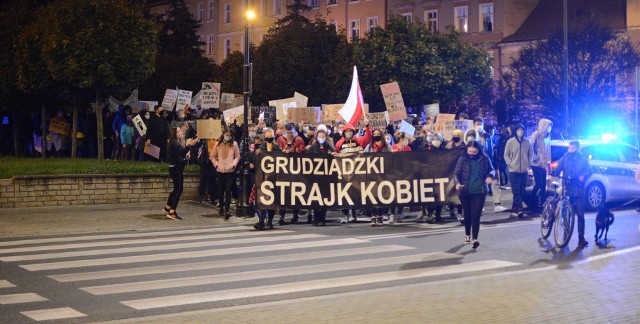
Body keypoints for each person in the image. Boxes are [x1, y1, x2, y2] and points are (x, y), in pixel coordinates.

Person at [454, 140, 495, 249]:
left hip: (479, 191)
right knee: (467, 214)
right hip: (465, 191)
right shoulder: (462, 158)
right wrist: (457, 183)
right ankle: (467, 235)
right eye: (470, 151)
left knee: (476, 215)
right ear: (467, 150)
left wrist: (490, 176)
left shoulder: (484, 158)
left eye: (474, 152)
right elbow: (456, 173)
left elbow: (492, 170)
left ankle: (475, 239)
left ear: (478, 150)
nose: (471, 153)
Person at [553, 140, 592, 247]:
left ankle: (581, 238)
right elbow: (557, 169)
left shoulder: (583, 160)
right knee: (566, 214)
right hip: (568, 189)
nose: (570, 150)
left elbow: (589, 171)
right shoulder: (564, 159)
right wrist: (554, 172)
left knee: (580, 215)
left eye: (572, 148)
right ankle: (565, 237)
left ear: (577, 149)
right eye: (569, 148)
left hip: (579, 190)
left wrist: (583, 176)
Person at [335, 120, 372, 224]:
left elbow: (368, 137)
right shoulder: (339, 143)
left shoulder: (359, 141)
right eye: (346, 131)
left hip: (357, 172)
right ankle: (346, 215)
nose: (348, 133)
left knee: (356, 194)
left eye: (350, 131)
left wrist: (367, 126)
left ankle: (354, 213)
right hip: (345, 172)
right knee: (345, 194)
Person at [163, 127, 197, 220]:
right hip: (176, 168)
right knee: (178, 190)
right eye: (178, 131)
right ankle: (172, 211)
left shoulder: (173, 142)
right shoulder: (174, 142)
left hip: (174, 167)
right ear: (174, 133)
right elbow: (182, 152)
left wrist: (185, 159)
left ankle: (168, 207)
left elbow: (179, 155)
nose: (181, 132)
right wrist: (189, 145)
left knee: (176, 189)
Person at [276, 124, 306, 225]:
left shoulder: (299, 140)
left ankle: (295, 215)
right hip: (283, 169)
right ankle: (282, 215)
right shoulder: (280, 139)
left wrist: (295, 151)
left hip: (296, 168)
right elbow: (276, 152)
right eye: (287, 132)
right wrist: (283, 151)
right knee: (283, 192)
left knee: (296, 192)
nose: (289, 134)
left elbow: (304, 153)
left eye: (291, 133)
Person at [363, 129, 393, 226]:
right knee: (372, 195)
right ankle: (373, 216)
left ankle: (380, 215)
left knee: (382, 195)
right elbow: (364, 156)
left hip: (384, 174)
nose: (376, 135)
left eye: (378, 134)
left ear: (381, 135)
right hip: (372, 174)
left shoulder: (387, 146)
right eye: (374, 134)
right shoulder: (369, 146)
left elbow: (392, 156)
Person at [253, 129, 282, 230]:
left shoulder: (277, 148)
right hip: (262, 178)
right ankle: (262, 220)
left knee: (272, 201)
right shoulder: (260, 148)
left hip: (273, 178)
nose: (269, 139)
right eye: (268, 137)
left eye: (271, 137)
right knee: (261, 200)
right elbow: (254, 161)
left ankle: (269, 221)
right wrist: (255, 154)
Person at [306, 129, 335, 226]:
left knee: (325, 197)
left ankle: (322, 218)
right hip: (315, 177)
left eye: (323, 136)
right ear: (316, 137)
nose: (321, 138)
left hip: (326, 177)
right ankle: (316, 218)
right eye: (319, 136)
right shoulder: (312, 148)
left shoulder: (329, 148)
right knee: (315, 198)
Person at [504, 124, 532, 217]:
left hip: (524, 171)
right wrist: (510, 163)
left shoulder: (527, 142)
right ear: (515, 131)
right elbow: (506, 155)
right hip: (513, 171)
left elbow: (531, 154)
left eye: (522, 130)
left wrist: (528, 164)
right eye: (519, 130)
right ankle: (519, 209)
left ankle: (514, 208)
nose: (520, 131)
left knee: (521, 190)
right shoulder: (510, 141)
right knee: (516, 190)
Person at [212, 129, 240, 219]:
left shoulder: (234, 144)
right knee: (220, 190)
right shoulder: (218, 144)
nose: (228, 136)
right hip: (220, 171)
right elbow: (212, 156)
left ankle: (227, 209)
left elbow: (237, 156)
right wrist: (216, 165)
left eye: (229, 135)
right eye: (226, 134)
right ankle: (221, 208)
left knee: (228, 190)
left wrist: (234, 164)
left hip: (230, 171)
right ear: (223, 135)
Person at [530, 118, 553, 212]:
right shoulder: (536, 135)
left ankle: (542, 203)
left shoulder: (547, 136)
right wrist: (536, 158)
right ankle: (533, 202)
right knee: (539, 183)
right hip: (536, 164)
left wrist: (548, 163)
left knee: (543, 185)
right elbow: (530, 148)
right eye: (548, 126)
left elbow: (548, 151)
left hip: (543, 165)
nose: (549, 128)